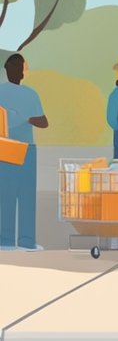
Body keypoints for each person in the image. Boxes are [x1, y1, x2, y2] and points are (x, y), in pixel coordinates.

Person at [0, 54, 47, 251]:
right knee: (27, 196)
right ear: (18, 71)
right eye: (21, 68)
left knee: (5, 194)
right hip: (26, 148)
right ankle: (27, 241)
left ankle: (5, 241)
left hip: (4, 148)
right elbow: (43, 122)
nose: (22, 72)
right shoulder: (30, 94)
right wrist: (26, 119)